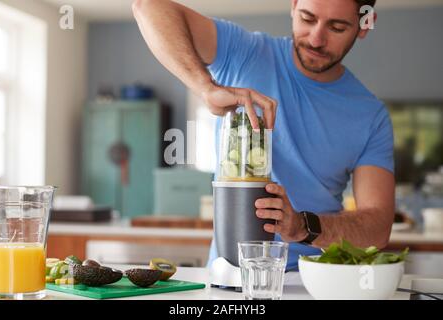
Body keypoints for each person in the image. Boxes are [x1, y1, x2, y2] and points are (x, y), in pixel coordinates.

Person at [133, 0, 395, 270]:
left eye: (337, 27)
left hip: (316, 281)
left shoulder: (369, 115)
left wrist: (302, 226)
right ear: (293, 6)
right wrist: (205, 88)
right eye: (307, 19)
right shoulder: (245, 52)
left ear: (365, 24)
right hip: (231, 276)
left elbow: (377, 227)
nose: (316, 39)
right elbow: (148, 7)